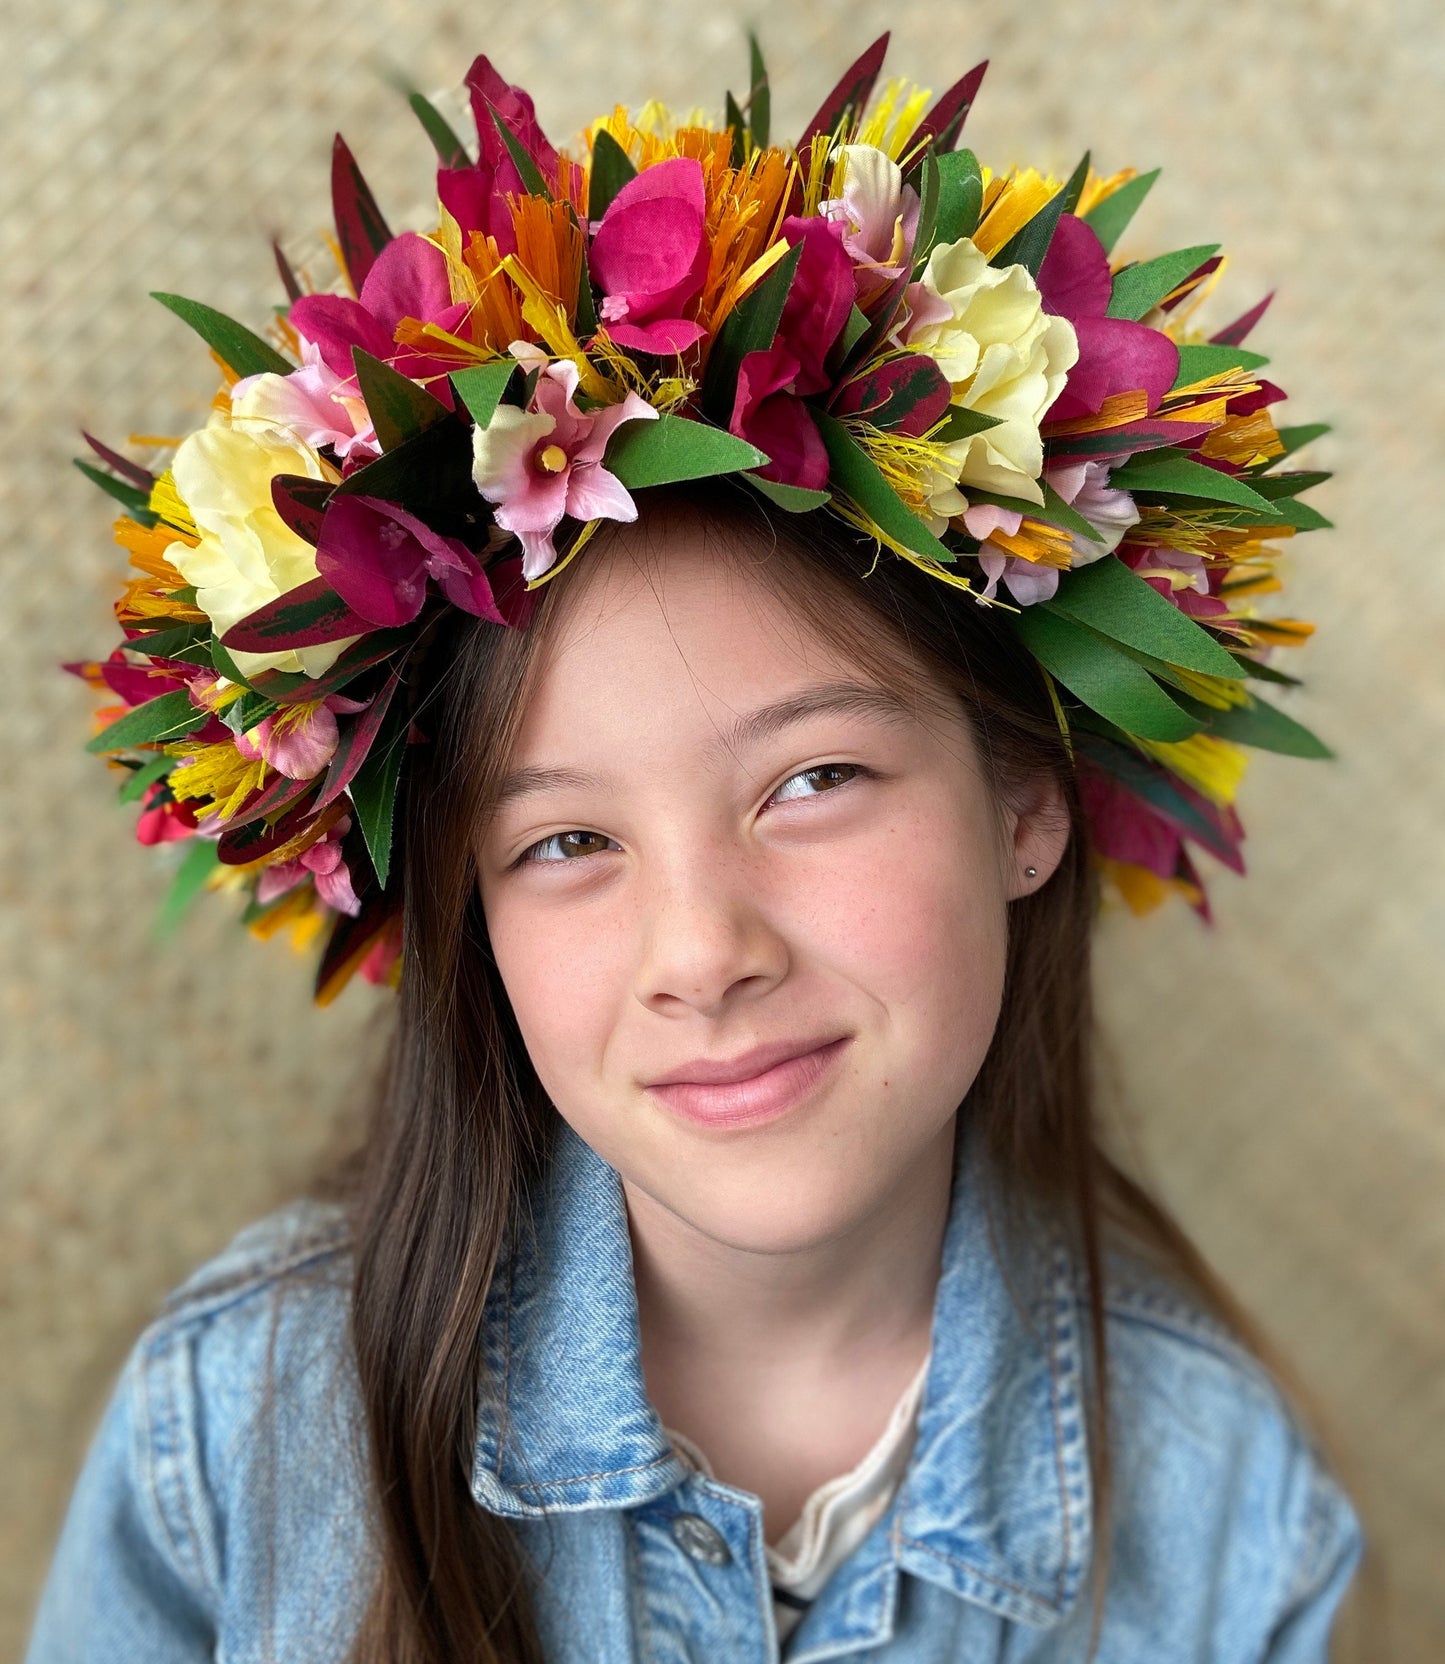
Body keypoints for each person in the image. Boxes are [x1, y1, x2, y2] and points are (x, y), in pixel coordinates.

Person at [32, 34, 1366, 1664]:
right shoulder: (235, 1431)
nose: (702, 950)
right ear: (468, 918)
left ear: (1024, 802)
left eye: (810, 781)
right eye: (569, 837)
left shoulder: (1231, 1513)